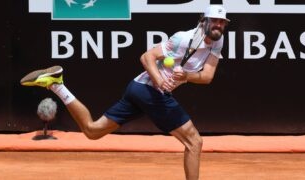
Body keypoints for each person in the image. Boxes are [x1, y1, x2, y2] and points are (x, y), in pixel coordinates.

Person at [20, 5, 230, 180]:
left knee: (93, 131)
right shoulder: (182, 39)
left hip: (139, 91)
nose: (219, 25)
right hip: (149, 90)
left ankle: (57, 85)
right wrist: (160, 80)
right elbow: (146, 57)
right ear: (204, 21)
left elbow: (207, 76)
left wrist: (185, 76)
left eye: (222, 22)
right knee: (195, 142)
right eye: (215, 21)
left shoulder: (217, 41)